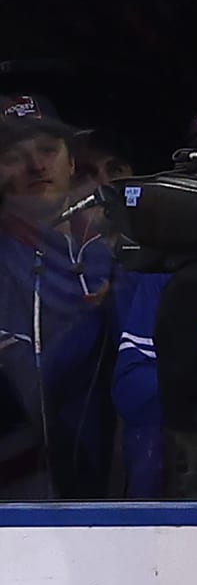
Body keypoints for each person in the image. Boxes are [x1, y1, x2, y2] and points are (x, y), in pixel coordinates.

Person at [0, 95, 117, 499]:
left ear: (71, 163)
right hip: (20, 501)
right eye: (15, 155)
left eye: (48, 150)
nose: (37, 166)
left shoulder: (121, 253)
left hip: (117, 498)